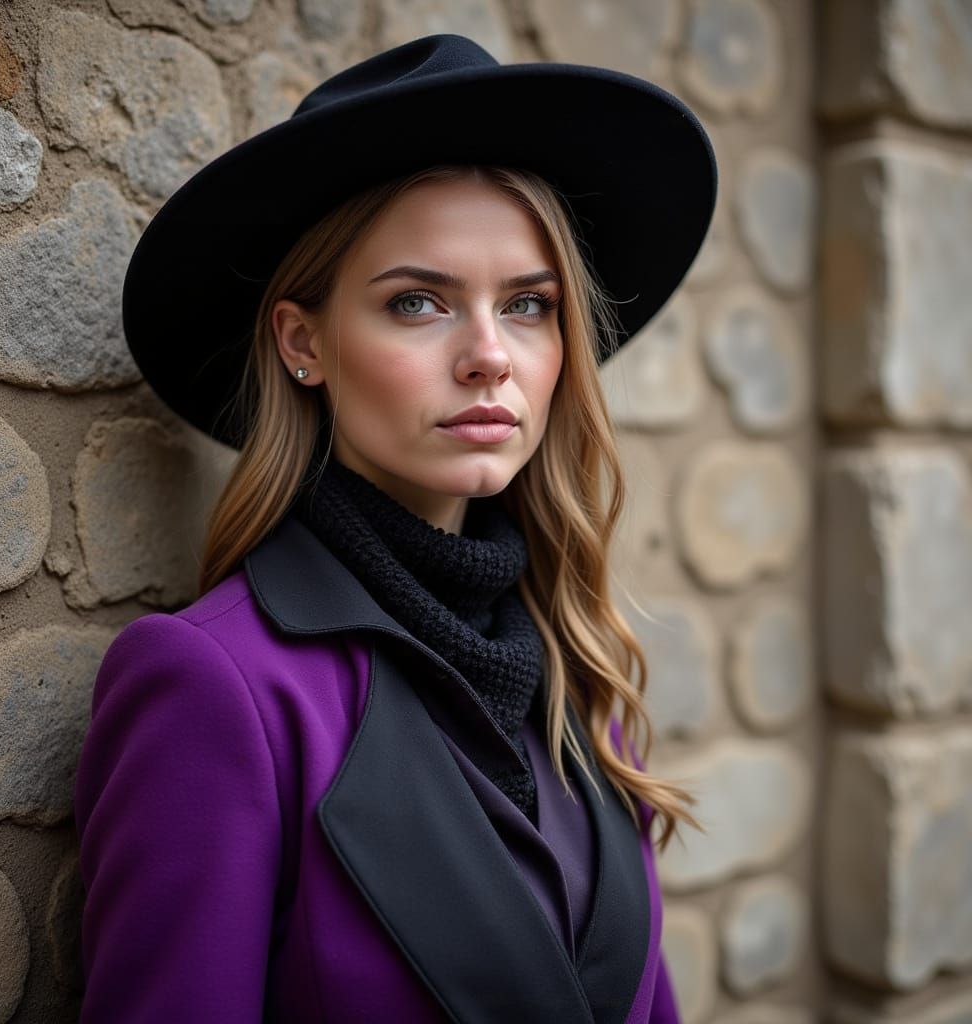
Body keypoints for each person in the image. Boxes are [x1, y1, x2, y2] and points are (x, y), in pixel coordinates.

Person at [74, 32, 716, 1024]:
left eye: (529, 304)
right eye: (417, 302)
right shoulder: (217, 689)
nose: (490, 355)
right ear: (303, 341)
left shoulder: (577, 673)